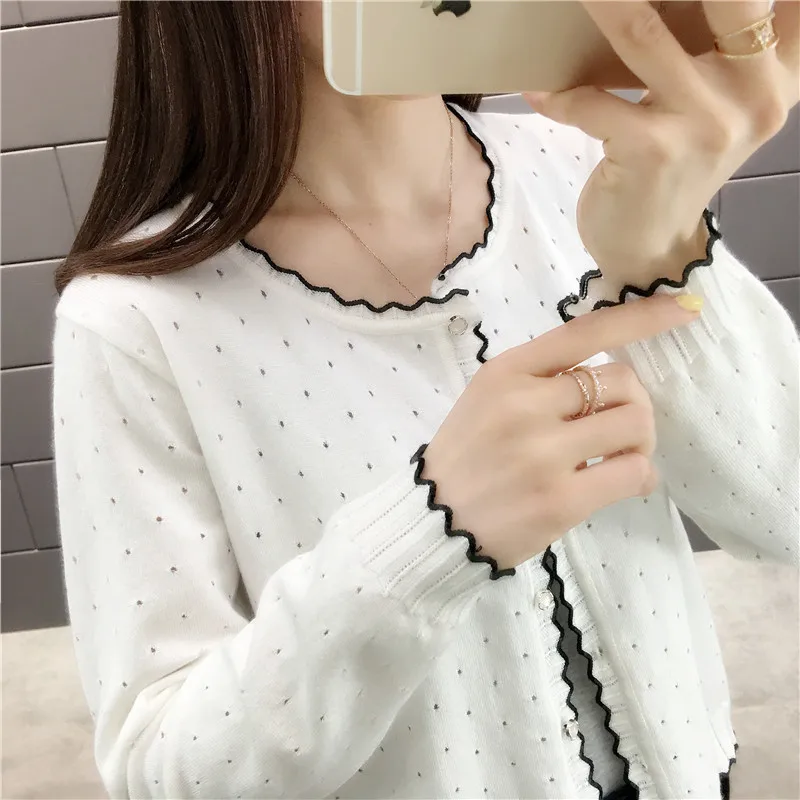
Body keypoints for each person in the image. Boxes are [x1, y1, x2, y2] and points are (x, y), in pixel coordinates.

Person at [52, 2, 798, 799]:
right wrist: (434, 531)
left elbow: (783, 511)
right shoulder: (135, 322)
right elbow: (162, 768)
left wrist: (662, 258)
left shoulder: (597, 163)